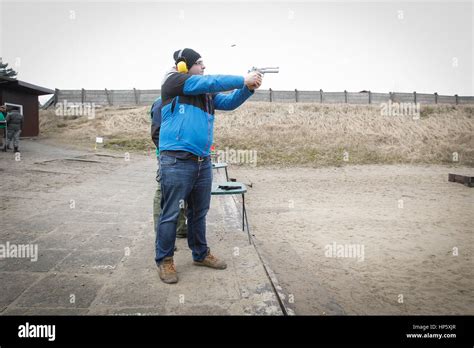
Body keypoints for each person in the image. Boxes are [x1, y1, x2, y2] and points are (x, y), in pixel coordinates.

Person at [155, 48, 262, 283]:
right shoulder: (173, 81)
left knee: (199, 213)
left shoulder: (206, 96)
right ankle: (165, 261)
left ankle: (200, 254)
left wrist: (248, 88)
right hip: (176, 160)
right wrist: (242, 78)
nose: (204, 67)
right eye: (200, 63)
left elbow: (231, 101)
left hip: (202, 161)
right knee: (171, 213)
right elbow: (212, 81)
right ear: (184, 66)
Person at [150, 97, 188, 243]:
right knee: (163, 192)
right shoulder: (161, 102)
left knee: (183, 191)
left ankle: (180, 228)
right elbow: (156, 133)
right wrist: (170, 153)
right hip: (168, 156)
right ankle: (161, 238)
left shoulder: (184, 101)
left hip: (184, 155)